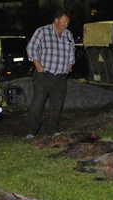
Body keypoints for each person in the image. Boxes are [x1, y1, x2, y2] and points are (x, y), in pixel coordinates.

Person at [25, 10, 75, 140]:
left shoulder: (68, 35)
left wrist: (70, 65)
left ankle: (51, 131)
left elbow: (71, 52)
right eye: (65, 22)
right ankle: (31, 132)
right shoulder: (42, 31)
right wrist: (38, 66)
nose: (66, 25)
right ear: (57, 20)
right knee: (38, 103)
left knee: (57, 105)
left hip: (60, 77)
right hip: (44, 75)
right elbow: (31, 48)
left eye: (68, 22)